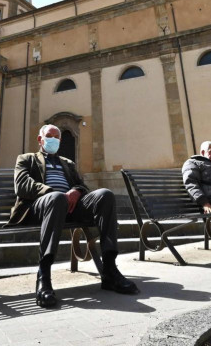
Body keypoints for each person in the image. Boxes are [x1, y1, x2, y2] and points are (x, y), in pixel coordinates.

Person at [8, 124, 138, 308]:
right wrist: (52, 192)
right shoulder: (26, 159)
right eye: (49, 136)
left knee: (105, 195)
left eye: (57, 137)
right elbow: (22, 185)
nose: (53, 140)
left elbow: (82, 185)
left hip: (69, 207)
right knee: (56, 198)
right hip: (39, 207)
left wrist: (76, 191)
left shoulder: (67, 163)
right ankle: (44, 276)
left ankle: (109, 270)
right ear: (40, 139)